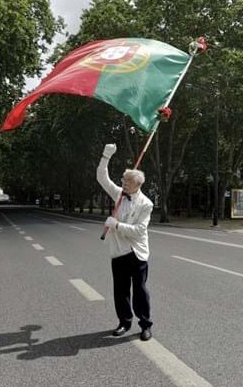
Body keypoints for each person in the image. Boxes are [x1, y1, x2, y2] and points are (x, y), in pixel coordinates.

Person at [97, 143, 154, 341]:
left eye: (127, 182)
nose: (123, 184)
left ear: (137, 185)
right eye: (123, 180)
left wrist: (117, 225)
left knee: (140, 290)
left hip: (136, 253)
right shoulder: (118, 194)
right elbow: (102, 178)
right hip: (118, 252)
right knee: (120, 290)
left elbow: (139, 231)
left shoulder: (146, 204)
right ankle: (124, 322)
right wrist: (106, 156)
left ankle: (145, 324)